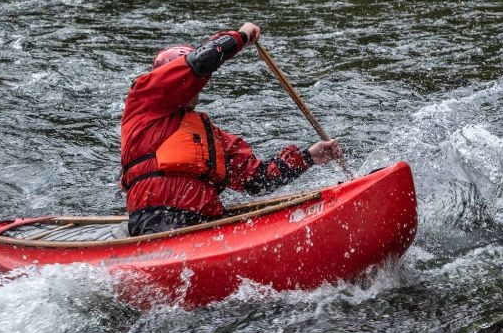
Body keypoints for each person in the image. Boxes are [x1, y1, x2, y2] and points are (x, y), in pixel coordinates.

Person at [119, 22, 344, 236]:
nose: (188, 85)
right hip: (157, 221)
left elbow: (257, 180)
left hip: (206, 223)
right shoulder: (144, 102)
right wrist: (242, 36)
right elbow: (201, 61)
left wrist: (308, 157)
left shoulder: (213, 137)